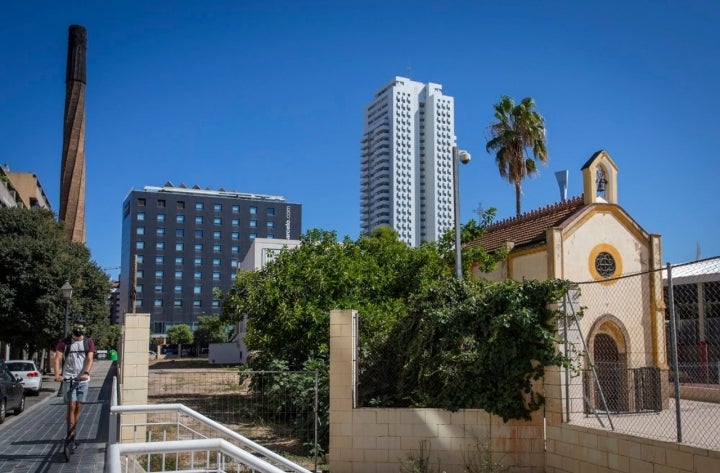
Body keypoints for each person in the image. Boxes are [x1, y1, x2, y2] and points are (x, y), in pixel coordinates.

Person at [53, 316, 96, 445]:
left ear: (85, 328)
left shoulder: (88, 342)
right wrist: (57, 375)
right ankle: (70, 433)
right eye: (76, 325)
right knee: (71, 405)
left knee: (78, 406)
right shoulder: (64, 342)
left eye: (81, 326)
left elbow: (90, 359)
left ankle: (74, 429)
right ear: (73, 326)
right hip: (68, 377)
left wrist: (86, 373)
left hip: (82, 379)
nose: (78, 328)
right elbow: (57, 359)